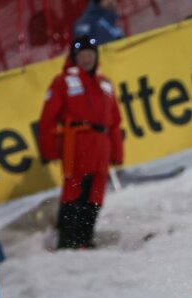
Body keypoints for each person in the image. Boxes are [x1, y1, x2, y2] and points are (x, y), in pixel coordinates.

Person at [37, 36, 124, 249]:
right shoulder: (63, 81)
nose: (87, 59)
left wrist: (117, 153)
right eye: (82, 55)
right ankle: (68, 240)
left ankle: (85, 238)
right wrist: (49, 150)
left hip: (101, 144)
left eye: (90, 54)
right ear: (74, 57)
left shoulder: (105, 84)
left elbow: (114, 122)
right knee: (74, 189)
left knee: (95, 193)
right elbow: (48, 118)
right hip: (77, 143)